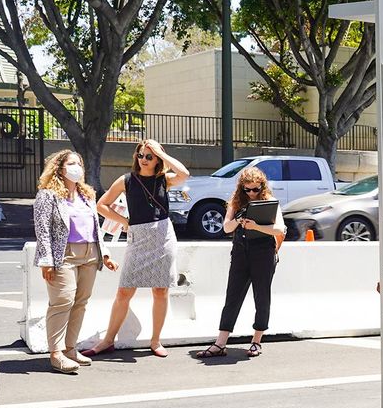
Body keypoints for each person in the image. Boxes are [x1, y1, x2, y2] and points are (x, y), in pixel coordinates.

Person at [86, 140, 190, 358]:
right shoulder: (126, 180)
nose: (144, 160)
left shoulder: (164, 180)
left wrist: (161, 153)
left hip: (163, 236)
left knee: (160, 291)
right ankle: (107, 340)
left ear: (157, 160)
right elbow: (101, 205)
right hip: (138, 238)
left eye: (149, 157)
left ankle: (155, 340)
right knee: (124, 291)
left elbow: (184, 174)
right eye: (141, 155)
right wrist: (124, 222)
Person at [33, 150, 117, 373]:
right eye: (71, 163)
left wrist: (104, 254)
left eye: (79, 163)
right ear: (59, 168)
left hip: (90, 253)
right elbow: (42, 230)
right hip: (64, 254)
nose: (77, 168)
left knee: (80, 302)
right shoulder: (48, 194)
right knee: (63, 301)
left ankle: (70, 349)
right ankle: (56, 353)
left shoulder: (87, 194)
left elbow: (95, 227)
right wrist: (46, 260)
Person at [195, 168, 286, 359]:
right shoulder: (237, 202)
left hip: (263, 252)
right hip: (240, 252)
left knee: (262, 296)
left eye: (255, 189)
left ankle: (256, 340)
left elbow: (279, 229)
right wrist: (238, 219)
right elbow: (226, 228)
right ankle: (220, 343)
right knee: (233, 296)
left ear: (262, 186)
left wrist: (256, 226)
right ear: (241, 188)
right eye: (247, 190)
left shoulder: (269, 201)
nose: (252, 193)